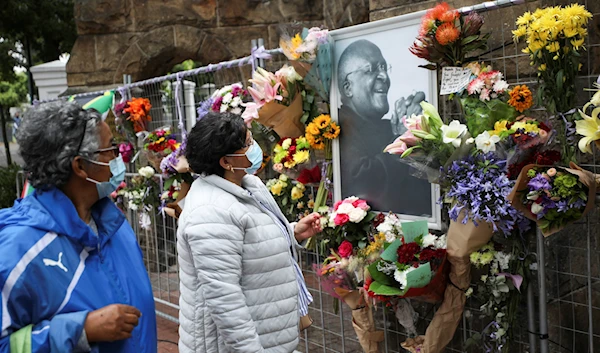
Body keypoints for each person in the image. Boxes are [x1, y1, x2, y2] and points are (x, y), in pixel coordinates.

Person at [0, 102, 157, 352]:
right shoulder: (19, 252)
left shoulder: (112, 222)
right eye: (111, 149)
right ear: (80, 166)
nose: (119, 157)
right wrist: (80, 330)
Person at [178, 111, 321, 353]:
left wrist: (293, 233)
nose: (254, 147)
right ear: (226, 162)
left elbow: (251, 243)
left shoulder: (248, 184)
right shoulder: (209, 213)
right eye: (247, 144)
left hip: (267, 335)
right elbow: (225, 301)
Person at [337, 39, 431, 216]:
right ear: (348, 88)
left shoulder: (387, 126)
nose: (384, 76)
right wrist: (402, 140)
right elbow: (364, 181)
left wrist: (418, 128)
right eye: (371, 70)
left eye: (384, 68)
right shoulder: (339, 127)